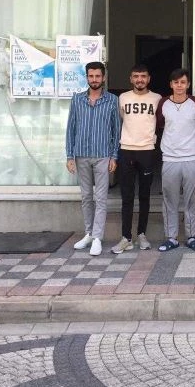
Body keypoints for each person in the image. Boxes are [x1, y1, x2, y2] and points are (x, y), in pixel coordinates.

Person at [65, 61, 120, 257]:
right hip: (81, 154)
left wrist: (114, 156)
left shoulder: (112, 100)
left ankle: (97, 237)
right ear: (86, 77)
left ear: (103, 78)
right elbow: (70, 128)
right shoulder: (77, 99)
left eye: (98, 76)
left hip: (103, 155)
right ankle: (88, 233)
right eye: (91, 76)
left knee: (101, 198)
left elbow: (116, 130)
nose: (94, 79)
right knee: (86, 197)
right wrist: (69, 155)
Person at [112, 64, 162, 254]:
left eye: (143, 76)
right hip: (126, 150)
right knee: (127, 196)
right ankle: (126, 237)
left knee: (144, 196)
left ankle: (142, 234)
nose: (139, 79)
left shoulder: (157, 98)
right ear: (131, 79)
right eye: (136, 76)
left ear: (148, 79)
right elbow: (120, 120)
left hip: (147, 151)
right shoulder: (123, 98)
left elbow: (160, 123)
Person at [155, 68, 195, 252]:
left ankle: (191, 237)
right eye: (176, 82)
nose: (179, 86)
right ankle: (171, 238)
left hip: (191, 158)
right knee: (170, 200)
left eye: (183, 82)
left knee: (191, 200)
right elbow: (160, 126)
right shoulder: (163, 103)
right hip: (170, 159)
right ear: (171, 84)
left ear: (188, 84)